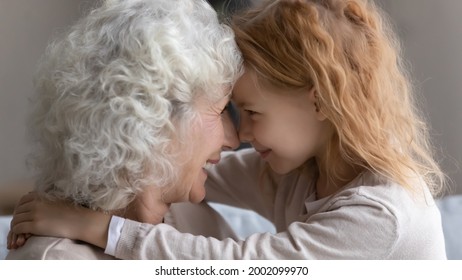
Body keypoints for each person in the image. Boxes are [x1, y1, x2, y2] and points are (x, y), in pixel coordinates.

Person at [9, 0, 447, 259]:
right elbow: (173, 172)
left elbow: (244, 264)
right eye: (227, 112)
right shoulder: (300, 171)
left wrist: (99, 228)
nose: (240, 136)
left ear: (317, 100)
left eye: (250, 113)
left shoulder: (379, 213)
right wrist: (62, 194)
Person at [5, 0, 243, 259]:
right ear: (154, 121)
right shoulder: (54, 263)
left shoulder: (196, 224)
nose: (234, 139)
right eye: (220, 111)